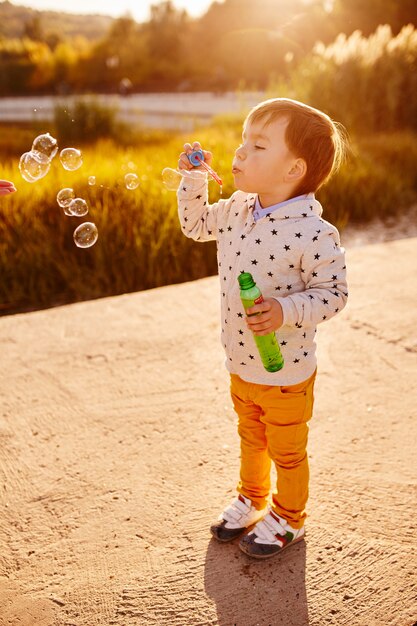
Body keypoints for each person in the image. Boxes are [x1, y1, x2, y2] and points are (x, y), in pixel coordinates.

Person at [176, 98, 348, 560]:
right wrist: (193, 179)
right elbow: (194, 226)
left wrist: (285, 309)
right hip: (240, 360)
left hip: (287, 372)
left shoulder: (314, 232)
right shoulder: (235, 209)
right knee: (250, 438)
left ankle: (289, 517)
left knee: (287, 452)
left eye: (257, 145)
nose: (240, 152)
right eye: (242, 140)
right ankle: (252, 497)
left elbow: (334, 294)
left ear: (294, 169)